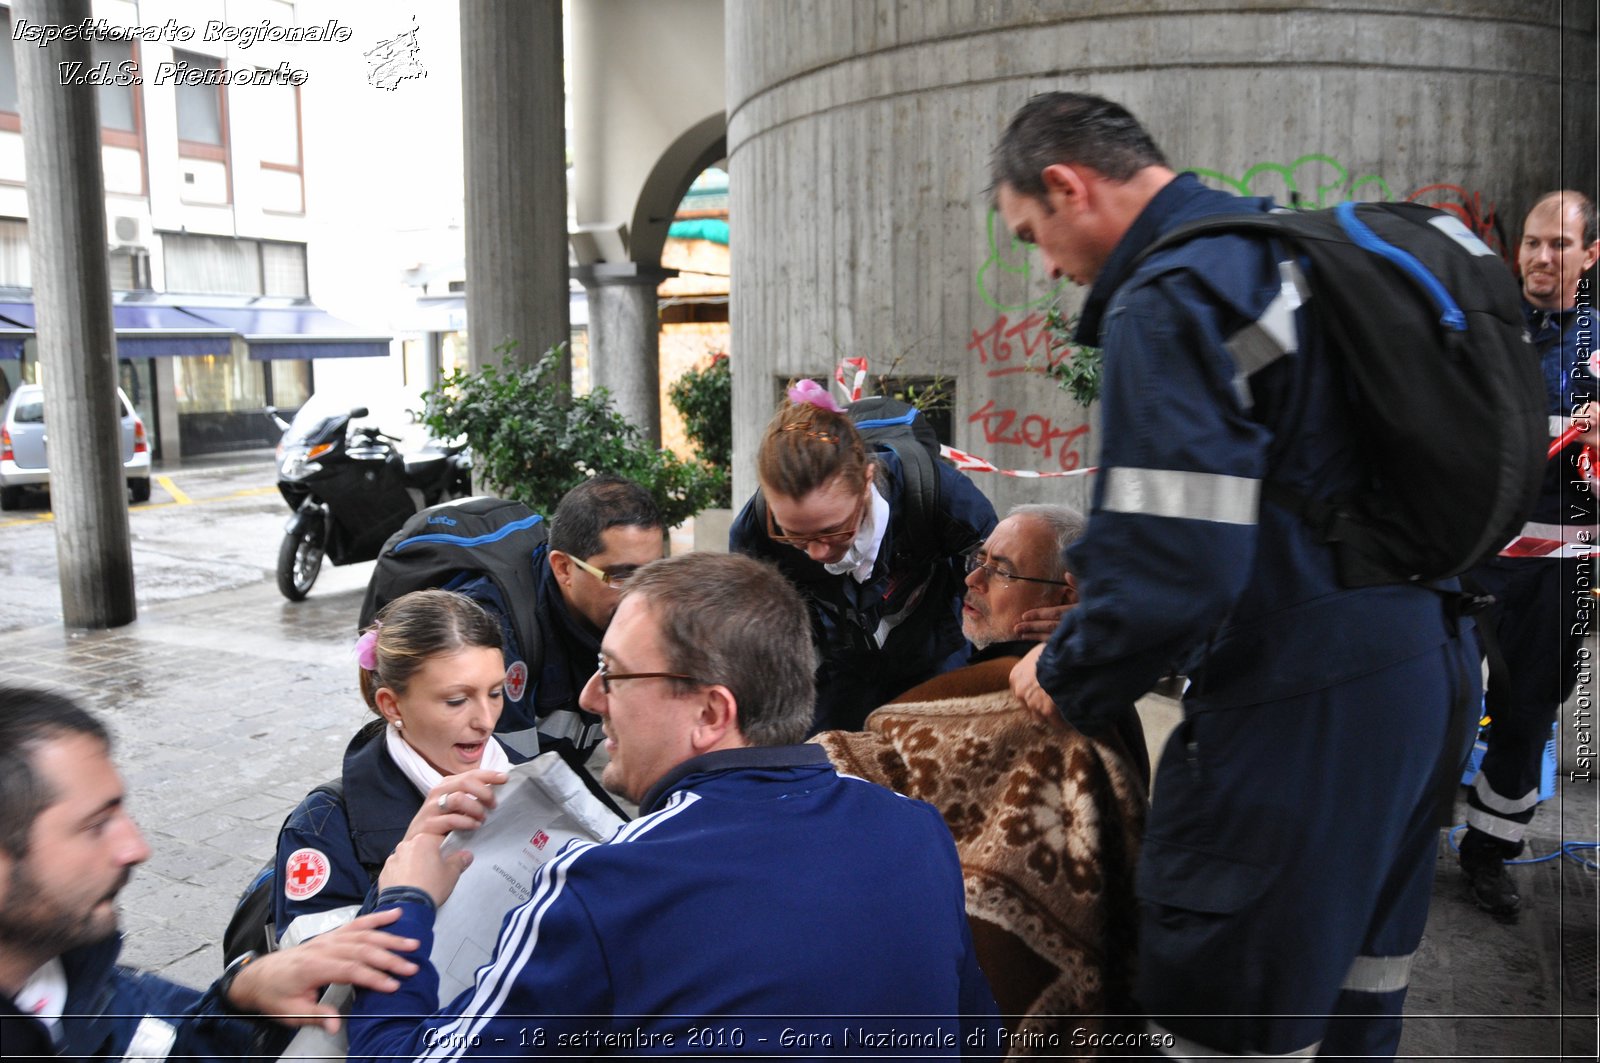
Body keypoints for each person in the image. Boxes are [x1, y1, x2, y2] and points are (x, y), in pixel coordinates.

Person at [993, 92, 1480, 1058]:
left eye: (1031, 235)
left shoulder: (1173, 294)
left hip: (1303, 699)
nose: (1046, 267)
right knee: (1354, 993)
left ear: (1067, 185)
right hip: (1424, 666)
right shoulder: (1280, 252)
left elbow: (1175, 563)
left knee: (1229, 1012)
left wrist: (1063, 669)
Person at [346, 552, 1000, 1058]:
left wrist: (403, 906)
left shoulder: (606, 887)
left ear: (711, 712)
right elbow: (979, 1041)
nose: (590, 695)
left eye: (615, 672)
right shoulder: (913, 831)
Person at [817, 502, 1148, 1045]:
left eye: (1002, 570)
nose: (972, 579)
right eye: (979, 559)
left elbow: (877, 762)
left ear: (1065, 598)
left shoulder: (1038, 698)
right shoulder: (1092, 689)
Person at [0, 685, 422, 1060]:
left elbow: (171, 1037)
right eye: (94, 826)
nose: (136, 848)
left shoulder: (86, 982)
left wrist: (241, 993)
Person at [1459, 190, 1598, 916]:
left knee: (1525, 717)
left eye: (1562, 245)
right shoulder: (1479, 329)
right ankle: (1399, 837)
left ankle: (1489, 853)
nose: (1544, 258)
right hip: (1469, 558)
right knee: (1441, 703)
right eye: (1534, 243)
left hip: (1557, 573)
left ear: (1592, 255)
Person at [729, 386, 998, 731]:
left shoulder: (940, 497)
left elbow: (1003, 588)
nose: (818, 553)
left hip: (936, 654)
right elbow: (753, 639)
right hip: (843, 666)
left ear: (867, 479)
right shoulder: (756, 531)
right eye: (794, 536)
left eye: (834, 530)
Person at [270, 589, 516, 948]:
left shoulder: (528, 779)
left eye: (495, 692)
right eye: (456, 700)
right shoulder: (322, 824)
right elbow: (311, 978)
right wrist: (401, 886)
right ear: (392, 706)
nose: (485, 720)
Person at [458, 474, 664, 758]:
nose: (640, 593)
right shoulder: (493, 633)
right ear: (564, 568)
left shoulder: (641, 622)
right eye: (620, 575)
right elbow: (498, 782)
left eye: (652, 572)